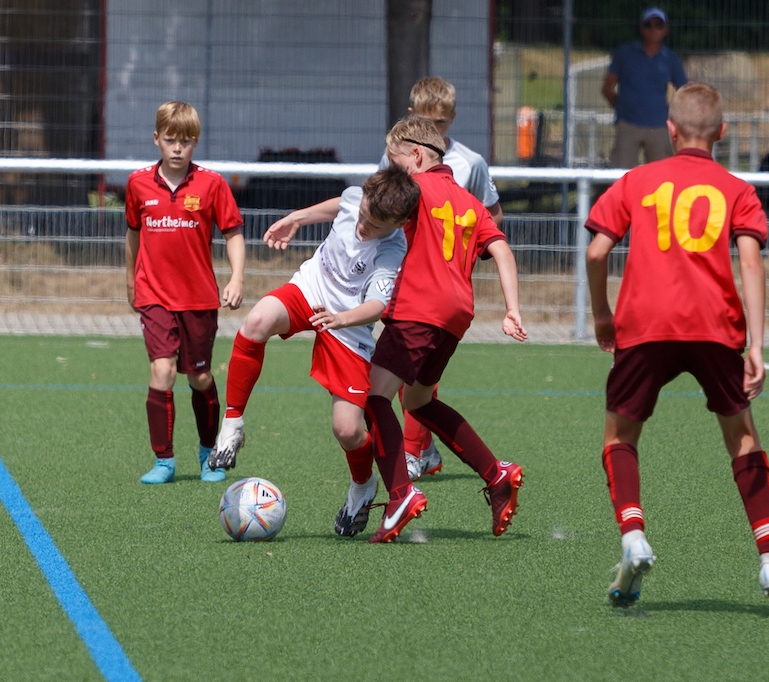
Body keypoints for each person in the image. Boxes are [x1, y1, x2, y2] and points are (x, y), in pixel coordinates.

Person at [585, 82, 769, 610]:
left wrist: (602, 313)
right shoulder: (737, 189)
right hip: (715, 326)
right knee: (742, 438)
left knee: (620, 435)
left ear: (670, 130)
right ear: (722, 132)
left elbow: (597, 252)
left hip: (644, 324)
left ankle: (634, 537)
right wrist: (757, 344)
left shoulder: (637, 180)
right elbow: (751, 262)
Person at [206, 166, 421, 537]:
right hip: (310, 289)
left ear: (400, 223)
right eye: (363, 215)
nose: (362, 226)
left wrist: (341, 318)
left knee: (347, 430)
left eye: (374, 225)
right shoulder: (357, 198)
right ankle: (232, 425)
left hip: (348, 327)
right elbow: (341, 204)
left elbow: (377, 306)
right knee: (256, 322)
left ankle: (363, 486)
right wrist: (297, 218)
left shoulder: (392, 249)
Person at [363, 116, 528, 544]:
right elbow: (502, 248)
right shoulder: (470, 202)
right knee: (418, 401)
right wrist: (512, 309)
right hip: (455, 316)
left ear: (417, 155)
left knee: (374, 397)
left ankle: (400, 494)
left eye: (395, 161)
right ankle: (496, 474)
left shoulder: (414, 190)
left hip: (417, 310)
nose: (392, 170)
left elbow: (366, 214)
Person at [379, 76, 504, 484]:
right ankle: (470, 464)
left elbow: (491, 215)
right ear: (412, 117)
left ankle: (406, 467)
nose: (435, 129)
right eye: (428, 121)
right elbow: (380, 206)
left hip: (433, 289)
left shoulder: (468, 163)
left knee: (380, 391)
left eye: (442, 123)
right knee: (415, 389)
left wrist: (461, 257)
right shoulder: (399, 156)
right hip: (418, 283)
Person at [125, 101, 245, 485]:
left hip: (198, 298)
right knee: (161, 369)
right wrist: (130, 280)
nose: (177, 148)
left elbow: (233, 233)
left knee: (199, 377)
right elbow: (132, 234)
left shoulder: (212, 184)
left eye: (186, 141)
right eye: (170, 140)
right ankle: (164, 460)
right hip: (154, 294)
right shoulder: (138, 183)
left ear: (196, 142)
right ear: (156, 139)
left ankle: (210, 453)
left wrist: (237, 277)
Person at [602, 7, 688, 169]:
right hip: (628, 125)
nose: (653, 29)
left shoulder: (671, 59)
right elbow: (607, 87)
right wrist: (621, 108)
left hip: (659, 126)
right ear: (641, 28)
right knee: (619, 173)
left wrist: (671, 114)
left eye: (658, 25)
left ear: (665, 29)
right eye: (648, 24)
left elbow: (684, 92)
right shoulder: (624, 53)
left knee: (661, 174)